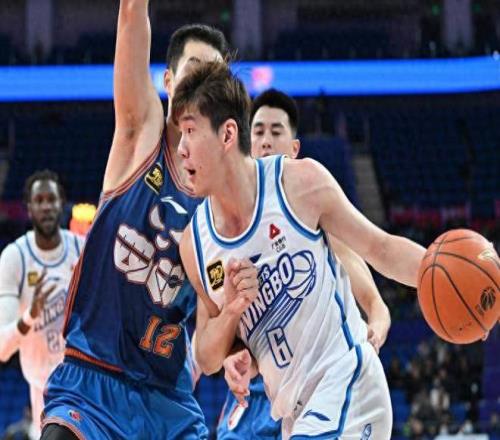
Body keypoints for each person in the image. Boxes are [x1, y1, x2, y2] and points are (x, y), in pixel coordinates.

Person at [176, 62, 427, 439]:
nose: (181, 149)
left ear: (227, 134)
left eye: (190, 132)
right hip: (295, 415)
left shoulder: (299, 184)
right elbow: (210, 356)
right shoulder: (195, 244)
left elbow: (382, 248)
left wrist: (449, 274)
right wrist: (232, 314)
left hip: (348, 386)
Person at [41, 2, 242, 438]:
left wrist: (237, 351)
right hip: (91, 379)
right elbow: (132, 14)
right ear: (168, 81)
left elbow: (214, 315)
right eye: (194, 71)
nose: (203, 86)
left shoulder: (221, 199)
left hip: (165, 399)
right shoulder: (141, 132)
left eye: (214, 77)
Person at [217, 89, 391, 439]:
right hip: (262, 390)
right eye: (258, 132)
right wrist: (229, 356)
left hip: (316, 382)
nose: (266, 140)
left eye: (276, 131)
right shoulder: (227, 224)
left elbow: (362, 276)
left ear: (294, 148)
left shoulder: (307, 208)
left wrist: (377, 316)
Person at [0, 170, 83, 439]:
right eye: (39, 200)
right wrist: (31, 316)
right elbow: (2, 348)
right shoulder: (15, 258)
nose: (46, 206)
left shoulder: (81, 249)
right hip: (42, 392)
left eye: (51, 199)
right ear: (29, 207)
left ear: (62, 203)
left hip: (82, 382)